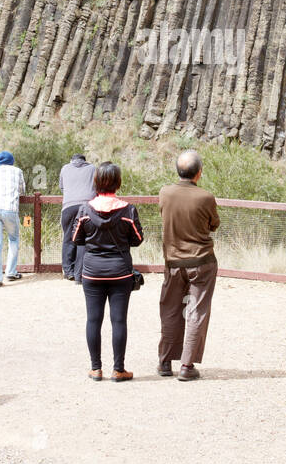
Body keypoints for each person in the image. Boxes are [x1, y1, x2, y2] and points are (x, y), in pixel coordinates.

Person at [70, 162, 143, 381]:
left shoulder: (84, 209)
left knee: (93, 320)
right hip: (120, 272)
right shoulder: (128, 210)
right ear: (118, 183)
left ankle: (95, 368)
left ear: (96, 182)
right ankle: (118, 369)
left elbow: (76, 239)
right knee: (118, 321)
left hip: (92, 271)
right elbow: (137, 239)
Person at [157, 149, 220, 382]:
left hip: (173, 262)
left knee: (170, 310)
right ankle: (186, 365)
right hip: (201, 262)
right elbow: (214, 225)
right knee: (196, 311)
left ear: (177, 170)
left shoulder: (165, 192)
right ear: (199, 173)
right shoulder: (206, 197)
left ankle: (164, 362)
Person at [0, 150, 26, 288]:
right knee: (13, 239)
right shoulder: (17, 171)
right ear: (12, 161)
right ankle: (11, 272)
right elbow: (22, 190)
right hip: (10, 209)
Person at [59, 153, 96, 282]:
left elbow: (62, 187)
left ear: (72, 160)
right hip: (87, 206)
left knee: (68, 238)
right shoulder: (92, 168)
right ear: (85, 161)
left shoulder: (65, 168)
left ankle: (68, 271)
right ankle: (80, 272)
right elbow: (97, 187)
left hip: (69, 206)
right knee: (85, 239)